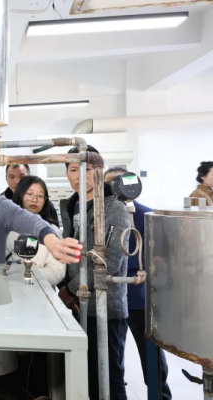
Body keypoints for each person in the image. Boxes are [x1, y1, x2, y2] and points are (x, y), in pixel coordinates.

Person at [59, 146, 130, 400]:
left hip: (105, 309)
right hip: (78, 306)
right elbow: (71, 253)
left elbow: (108, 260)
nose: (79, 175)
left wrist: (70, 291)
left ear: (99, 171)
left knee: (109, 379)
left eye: (87, 169)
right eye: (73, 169)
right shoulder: (71, 205)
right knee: (85, 378)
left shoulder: (114, 207)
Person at [104, 167, 172, 400]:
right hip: (112, 296)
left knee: (151, 355)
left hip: (139, 298)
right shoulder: (102, 217)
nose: (113, 189)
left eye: (116, 183)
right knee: (114, 355)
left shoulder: (147, 216)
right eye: (108, 185)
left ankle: (160, 395)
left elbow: (161, 255)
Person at [5, 176, 65, 287]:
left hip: (41, 291)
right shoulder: (5, 227)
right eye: (29, 194)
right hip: (8, 288)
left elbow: (57, 270)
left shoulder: (52, 231)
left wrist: (29, 275)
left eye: (40, 196)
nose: (35, 199)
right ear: (20, 195)